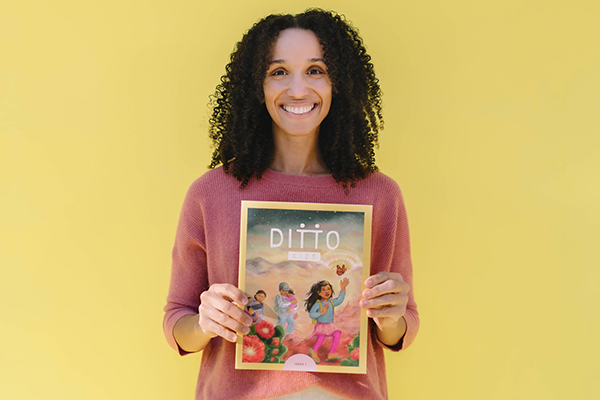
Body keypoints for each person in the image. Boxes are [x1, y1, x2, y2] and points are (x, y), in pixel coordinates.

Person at [163, 8, 419, 400]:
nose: (298, 89)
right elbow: (177, 321)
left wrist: (392, 315)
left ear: (339, 83)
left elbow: (398, 331)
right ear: (256, 86)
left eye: (316, 70)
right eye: (278, 71)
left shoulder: (379, 194)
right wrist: (205, 321)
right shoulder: (211, 193)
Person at [305, 279, 349, 363]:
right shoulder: (318, 303)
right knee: (321, 337)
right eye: (323, 290)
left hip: (330, 324)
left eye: (328, 289)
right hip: (321, 325)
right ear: (319, 293)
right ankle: (313, 350)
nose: (327, 291)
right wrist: (321, 312)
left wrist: (343, 289)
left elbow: (339, 300)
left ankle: (331, 353)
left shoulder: (331, 302)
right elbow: (312, 314)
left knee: (337, 334)